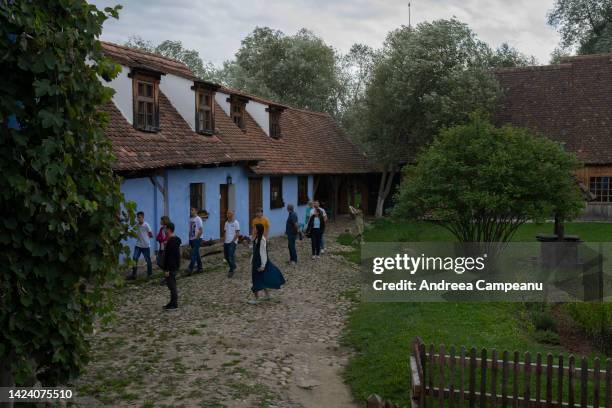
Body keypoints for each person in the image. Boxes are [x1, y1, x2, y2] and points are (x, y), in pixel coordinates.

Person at [249, 223, 285, 305]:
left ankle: (256, 299)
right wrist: (247, 246)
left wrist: (262, 266)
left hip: (258, 262)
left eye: (255, 228)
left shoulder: (262, 240)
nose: (253, 229)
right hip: (256, 261)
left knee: (255, 279)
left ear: (258, 230)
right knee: (261, 278)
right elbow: (254, 248)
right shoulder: (257, 238)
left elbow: (263, 253)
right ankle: (267, 295)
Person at [128, 211, 153, 280]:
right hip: (138, 245)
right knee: (134, 258)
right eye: (137, 217)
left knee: (148, 260)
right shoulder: (137, 225)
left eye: (139, 217)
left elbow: (151, 234)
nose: (138, 219)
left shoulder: (146, 225)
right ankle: (134, 274)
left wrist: (146, 236)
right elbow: (132, 230)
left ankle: (150, 274)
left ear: (143, 217)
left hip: (145, 246)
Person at [162, 223, 181, 310]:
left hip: (171, 267)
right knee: (171, 285)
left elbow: (170, 257)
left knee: (172, 285)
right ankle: (172, 302)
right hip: (173, 266)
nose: (164, 231)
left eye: (165, 229)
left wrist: (167, 269)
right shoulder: (173, 240)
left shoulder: (172, 242)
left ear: (169, 230)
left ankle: (174, 304)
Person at [187, 207, 204, 275]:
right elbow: (190, 229)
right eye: (190, 210)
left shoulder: (198, 219)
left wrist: (197, 238)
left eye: (192, 210)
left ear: (196, 211)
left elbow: (201, 230)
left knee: (193, 254)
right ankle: (200, 268)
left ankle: (190, 269)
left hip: (197, 238)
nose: (191, 211)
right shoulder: (190, 219)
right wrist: (189, 239)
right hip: (191, 239)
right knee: (196, 253)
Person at [223, 210, 240, 278]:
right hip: (226, 242)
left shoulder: (236, 223)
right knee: (226, 257)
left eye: (229, 213)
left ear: (233, 215)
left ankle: (231, 270)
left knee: (230, 256)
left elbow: (237, 233)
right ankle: (233, 266)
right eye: (227, 213)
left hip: (232, 242)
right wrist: (224, 241)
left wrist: (233, 241)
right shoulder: (226, 223)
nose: (228, 214)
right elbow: (225, 232)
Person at [156, 215, 171, 285]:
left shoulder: (168, 229)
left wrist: (163, 240)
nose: (160, 221)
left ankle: (167, 278)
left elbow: (168, 238)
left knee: (165, 263)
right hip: (161, 248)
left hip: (166, 248)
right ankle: (168, 274)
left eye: (161, 220)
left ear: (164, 221)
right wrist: (161, 239)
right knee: (159, 262)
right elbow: (158, 237)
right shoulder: (161, 229)